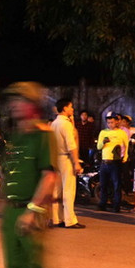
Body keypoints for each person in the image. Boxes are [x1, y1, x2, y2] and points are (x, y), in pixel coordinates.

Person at [0, 81, 73, 268]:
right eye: (12, 100)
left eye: (20, 100)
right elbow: (9, 176)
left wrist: (32, 211)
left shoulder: (43, 135)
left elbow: (49, 176)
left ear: (32, 105)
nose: (14, 105)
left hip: (31, 211)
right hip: (11, 211)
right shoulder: (16, 137)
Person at [50, 97, 85, 229]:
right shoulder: (65, 124)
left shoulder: (54, 123)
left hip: (56, 158)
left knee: (56, 190)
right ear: (65, 109)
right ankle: (70, 220)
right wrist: (76, 162)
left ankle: (56, 218)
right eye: (71, 107)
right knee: (69, 190)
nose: (72, 109)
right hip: (66, 158)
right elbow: (71, 145)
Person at [96, 113, 128, 212]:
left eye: (112, 122)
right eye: (108, 122)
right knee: (103, 184)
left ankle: (116, 205)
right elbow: (98, 147)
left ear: (117, 122)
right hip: (104, 162)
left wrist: (125, 156)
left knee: (116, 184)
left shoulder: (121, 133)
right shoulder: (103, 132)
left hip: (115, 162)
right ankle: (102, 203)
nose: (110, 124)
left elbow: (126, 145)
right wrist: (103, 142)